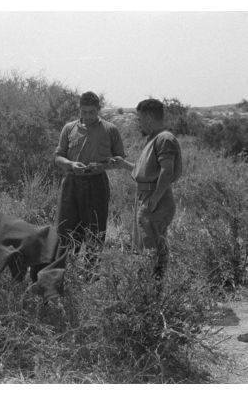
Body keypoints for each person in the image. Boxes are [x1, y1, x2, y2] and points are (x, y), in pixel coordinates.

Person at [113, 98, 182, 278]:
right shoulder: (155, 139)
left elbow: (167, 171)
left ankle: (151, 294)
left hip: (154, 198)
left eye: (140, 118)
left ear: (149, 118)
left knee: (150, 250)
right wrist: (124, 165)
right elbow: (146, 171)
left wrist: (155, 199)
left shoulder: (164, 139)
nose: (139, 123)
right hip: (148, 196)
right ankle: (150, 293)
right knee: (148, 246)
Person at [54, 91, 126, 263]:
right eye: (84, 112)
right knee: (66, 230)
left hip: (97, 184)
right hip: (71, 184)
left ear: (98, 109)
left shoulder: (110, 130)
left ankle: (90, 274)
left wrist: (103, 165)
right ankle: (65, 271)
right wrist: (70, 164)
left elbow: (120, 159)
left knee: (95, 231)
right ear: (79, 110)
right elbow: (58, 157)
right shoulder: (69, 128)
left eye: (91, 112)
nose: (87, 116)